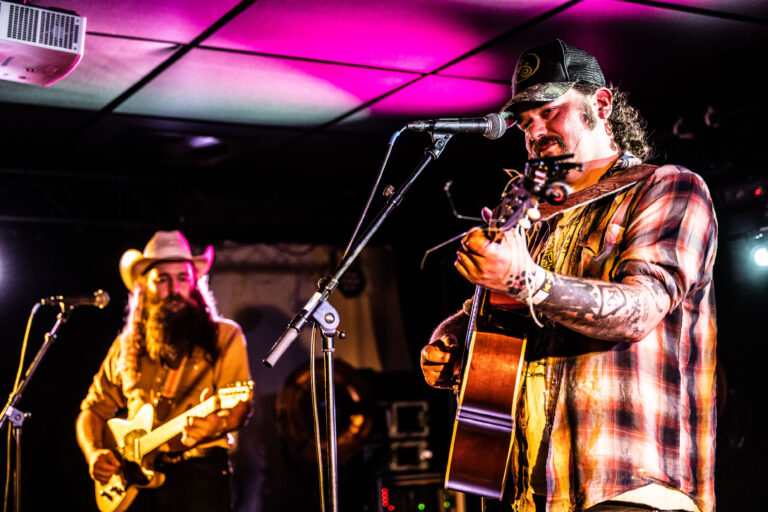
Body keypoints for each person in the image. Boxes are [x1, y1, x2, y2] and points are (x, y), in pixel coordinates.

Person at [420, 40, 717, 512]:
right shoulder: (528, 216)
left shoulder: (667, 187)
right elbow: (496, 322)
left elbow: (641, 309)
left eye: (548, 111)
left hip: (630, 487)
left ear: (601, 104)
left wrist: (526, 281)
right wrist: (454, 338)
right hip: (533, 493)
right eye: (524, 121)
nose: (535, 131)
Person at [76, 230, 253, 512]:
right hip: (133, 479)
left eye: (183, 278)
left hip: (199, 476)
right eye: (162, 279)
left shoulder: (225, 336)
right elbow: (91, 411)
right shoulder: (125, 345)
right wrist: (95, 453)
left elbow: (240, 407)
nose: (174, 289)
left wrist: (217, 425)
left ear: (195, 283)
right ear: (143, 286)